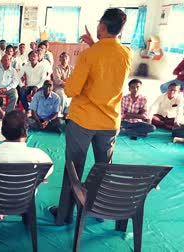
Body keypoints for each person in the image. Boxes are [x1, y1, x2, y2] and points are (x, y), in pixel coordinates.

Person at [49, 8, 132, 226]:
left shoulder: (89, 55)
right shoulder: (126, 53)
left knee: (73, 168)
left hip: (83, 121)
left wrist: (72, 81)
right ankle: (100, 209)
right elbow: (107, 66)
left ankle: (64, 214)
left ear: (102, 27)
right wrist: (95, 45)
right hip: (110, 121)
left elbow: (71, 90)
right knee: (104, 168)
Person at [0, 110, 53, 220]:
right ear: (26, 133)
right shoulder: (40, 157)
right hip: (23, 201)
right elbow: (48, 170)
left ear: (2, 132)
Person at [53, 52, 74, 118]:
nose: (64, 59)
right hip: (59, 88)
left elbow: (74, 80)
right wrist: (68, 83)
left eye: (66, 57)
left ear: (68, 59)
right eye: (63, 57)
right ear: (60, 59)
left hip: (69, 87)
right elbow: (57, 81)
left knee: (75, 95)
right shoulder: (56, 68)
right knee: (62, 95)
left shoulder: (72, 68)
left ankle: (66, 113)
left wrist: (64, 81)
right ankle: (60, 114)